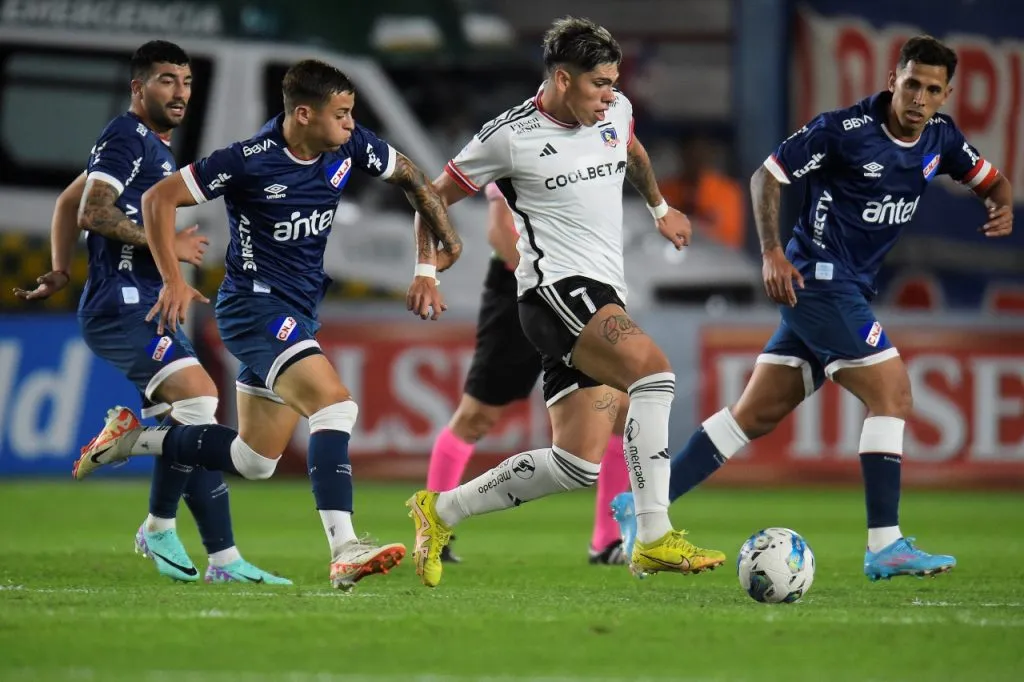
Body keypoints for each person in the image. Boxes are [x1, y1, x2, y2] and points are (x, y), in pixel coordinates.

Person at [612, 35, 1014, 581]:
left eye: (933, 89)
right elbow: (767, 175)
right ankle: (885, 544)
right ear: (892, 80)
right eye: (912, 83)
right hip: (819, 282)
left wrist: (1000, 203)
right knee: (892, 392)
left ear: (945, 95)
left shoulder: (941, 141)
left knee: (753, 416)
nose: (919, 97)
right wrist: (772, 252)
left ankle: (640, 505)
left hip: (841, 289)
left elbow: (992, 181)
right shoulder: (842, 131)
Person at [71, 58, 461, 591]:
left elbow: (415, 179)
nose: (351, 124)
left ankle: (133, 441)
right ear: (303, 114)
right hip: (253, 309)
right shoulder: (248, 160)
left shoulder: (348, 145)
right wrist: (171, 279)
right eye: (341, 114)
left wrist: (428, 265)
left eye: (352, 114)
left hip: (298, 310)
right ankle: (345, 548)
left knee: (253, 460)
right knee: (335, 404)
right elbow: (158, 198)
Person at [405, 16, 726, 588]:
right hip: (556, 293)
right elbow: (432, 195)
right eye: (599, 83)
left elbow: (632, 151)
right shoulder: (509, 135)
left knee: (577, 461)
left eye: (614, 81)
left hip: (596, 295)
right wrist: (425, 267)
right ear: (560, 77)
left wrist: (658, 209)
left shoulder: (615, 112)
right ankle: (653, 536)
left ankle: (441, 510)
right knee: (655, 378)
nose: (612, 95)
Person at [15, 40, 288, 585]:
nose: (180, 91)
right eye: (166, 80)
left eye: (186, 81)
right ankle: (154, 513)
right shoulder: (126, 136)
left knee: (192, 420)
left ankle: (223, 560)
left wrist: (60, 268)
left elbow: (70, 201)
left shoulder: (152, 148)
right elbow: (95, 211)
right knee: (201, 398)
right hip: (122, 306)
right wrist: (167, 250)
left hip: (143, 305)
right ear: (138, 87)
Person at [426, 182, 632, 566]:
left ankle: (607, 541)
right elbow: (502, 234)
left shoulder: (585, 149)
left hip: (580, 291)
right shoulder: (517, 142)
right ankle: (434, 529)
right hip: (522, 294)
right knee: (476, 417)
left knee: (618, 408)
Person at [658, 134, 745, 249]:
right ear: (682, 157)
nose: (696, 161)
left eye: (701, 156)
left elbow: (731, 239)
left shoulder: (728, 191)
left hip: (715, 258)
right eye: (691, 156)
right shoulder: (665, 190)